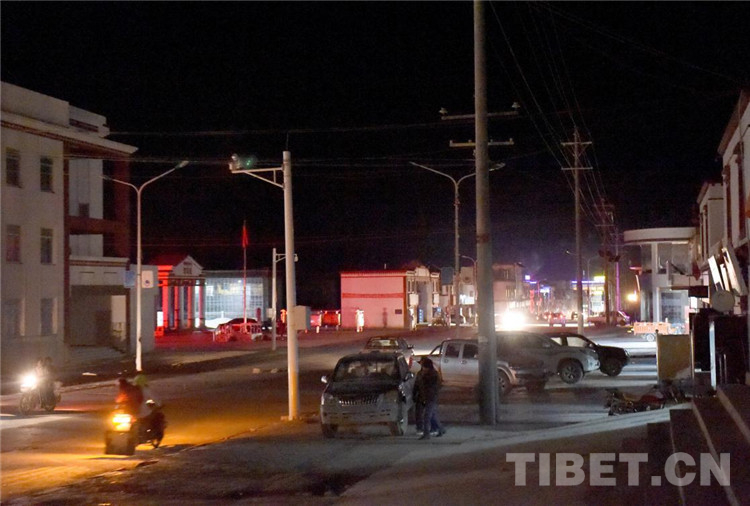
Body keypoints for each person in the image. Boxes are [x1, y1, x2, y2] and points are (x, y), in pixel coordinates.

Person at [414, 357, 445, 440]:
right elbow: (417, 385)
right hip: (423, 397)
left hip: (430, 398)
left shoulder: (433, 375)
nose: (423, 368)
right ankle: (441, 429)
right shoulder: (421, 374)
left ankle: (426, 433)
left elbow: (435, 387)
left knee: (427, 415)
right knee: (432, 415)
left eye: (424, 366)